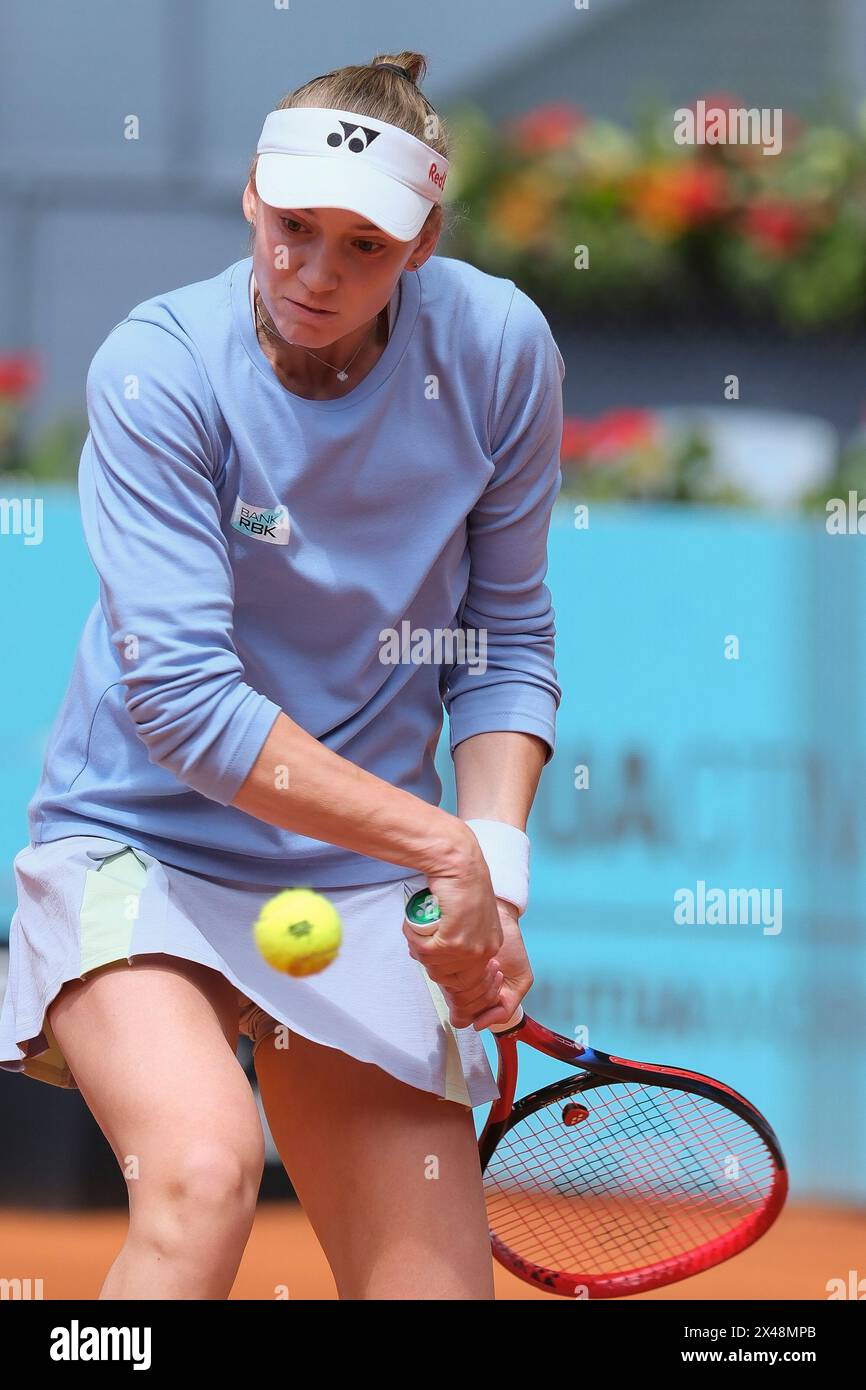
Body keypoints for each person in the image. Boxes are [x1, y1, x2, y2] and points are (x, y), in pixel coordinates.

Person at [0, 51, 565, 1300]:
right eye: (294, 228)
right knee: (201, 1177)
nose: (314, 273)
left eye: (361, 247)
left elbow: (505, 640)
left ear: (419, 247)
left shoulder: (497, 350)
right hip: (138, 847)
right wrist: (443, 847)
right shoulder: (158, 370)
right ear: (252, 195)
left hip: (359, 871)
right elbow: (188, 711)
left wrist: (494, 872)